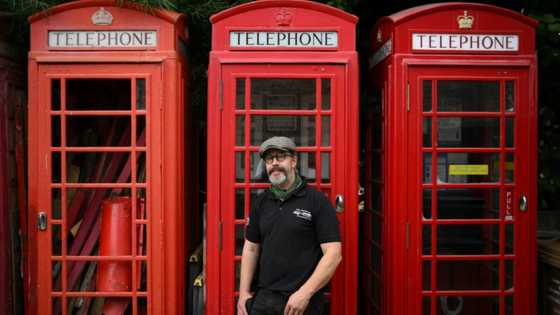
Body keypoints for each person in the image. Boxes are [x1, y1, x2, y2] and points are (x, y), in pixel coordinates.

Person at [237, 136, 342, 315]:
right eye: (269, 159)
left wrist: (305, 293)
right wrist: (243, 293)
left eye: (280, 157)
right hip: (264, 299)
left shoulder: (317, 201)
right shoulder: (261, 202)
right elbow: (251, 248)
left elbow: (333, 254)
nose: (274, 163)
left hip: (302, 303)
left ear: (293, 161)